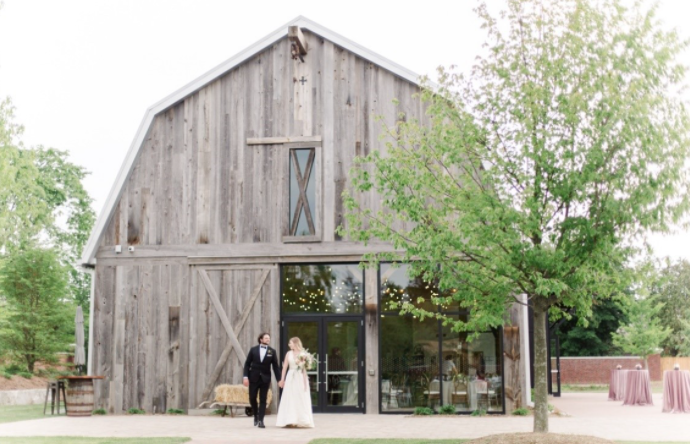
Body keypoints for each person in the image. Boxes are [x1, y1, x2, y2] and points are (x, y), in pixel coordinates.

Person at [243, 332, 281, 429]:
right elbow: (247, 364)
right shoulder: (253, 350)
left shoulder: (272, 351)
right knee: (252, 397)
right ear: (261, 339)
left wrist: (279, 379)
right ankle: (255, 414)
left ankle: (261, 420)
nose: (268, 339)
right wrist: (245, 377)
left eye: (269, 338)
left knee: (263, 399)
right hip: (253, 378)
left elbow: (275, 367)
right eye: (266, 338)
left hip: (265, 379)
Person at [276, 337, 315, 428]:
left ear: (295, 343)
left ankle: (301, 419)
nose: (289, 345)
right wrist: (282, 379)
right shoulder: (288, 354)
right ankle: (290, 420)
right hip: (290, 376)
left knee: (299, 396)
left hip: (299, 377)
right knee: (290, 396)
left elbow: (304, 370)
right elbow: (284, 367)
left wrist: (305, 382)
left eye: (290, 343)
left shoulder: (303, 354)